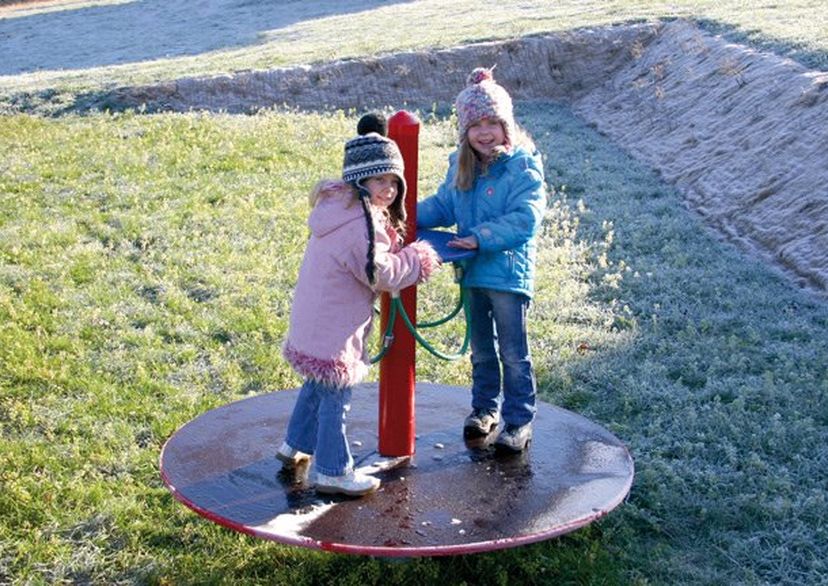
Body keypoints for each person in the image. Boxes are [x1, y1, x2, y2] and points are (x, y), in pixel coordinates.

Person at [278, 114, 440, 496]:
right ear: (359, 181)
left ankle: (294, 445)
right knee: (336, 394)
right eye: (379, 180)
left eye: (394, 181)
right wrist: (418, 259)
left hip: (316, 316)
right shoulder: (359, 223)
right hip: (336, 325)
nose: (388, 189)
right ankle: (333, 471)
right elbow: (379, 273)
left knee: (317, 383)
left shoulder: (339, 208)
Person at [417, 68, 546, 453]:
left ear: (507, 125)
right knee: (482, 349)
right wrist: (404, 214)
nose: (485, 132)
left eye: (493, 122)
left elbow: (525, 218)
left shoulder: (522, 165)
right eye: (476, 124)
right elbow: (444, 205)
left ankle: (519, 421)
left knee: (512, 352)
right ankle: (484, 410)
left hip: (507, 275)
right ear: (465, 130)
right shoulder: (462, 164)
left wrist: (480, 238)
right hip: (472, 272)